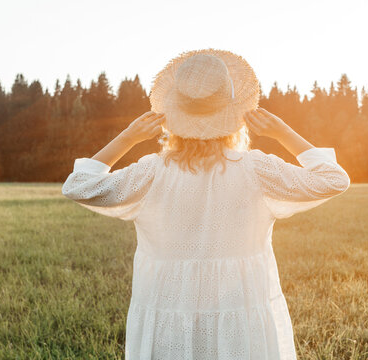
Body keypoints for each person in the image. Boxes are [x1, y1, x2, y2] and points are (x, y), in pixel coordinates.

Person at [61, 48, 350, 360]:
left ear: (172, 116)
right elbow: (334, 179)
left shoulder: (151, 173)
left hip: (168, 315)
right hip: (240, 317)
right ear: (235, 115)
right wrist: (283, 132)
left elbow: (77, 185)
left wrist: (128, 138)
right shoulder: (257, 169)